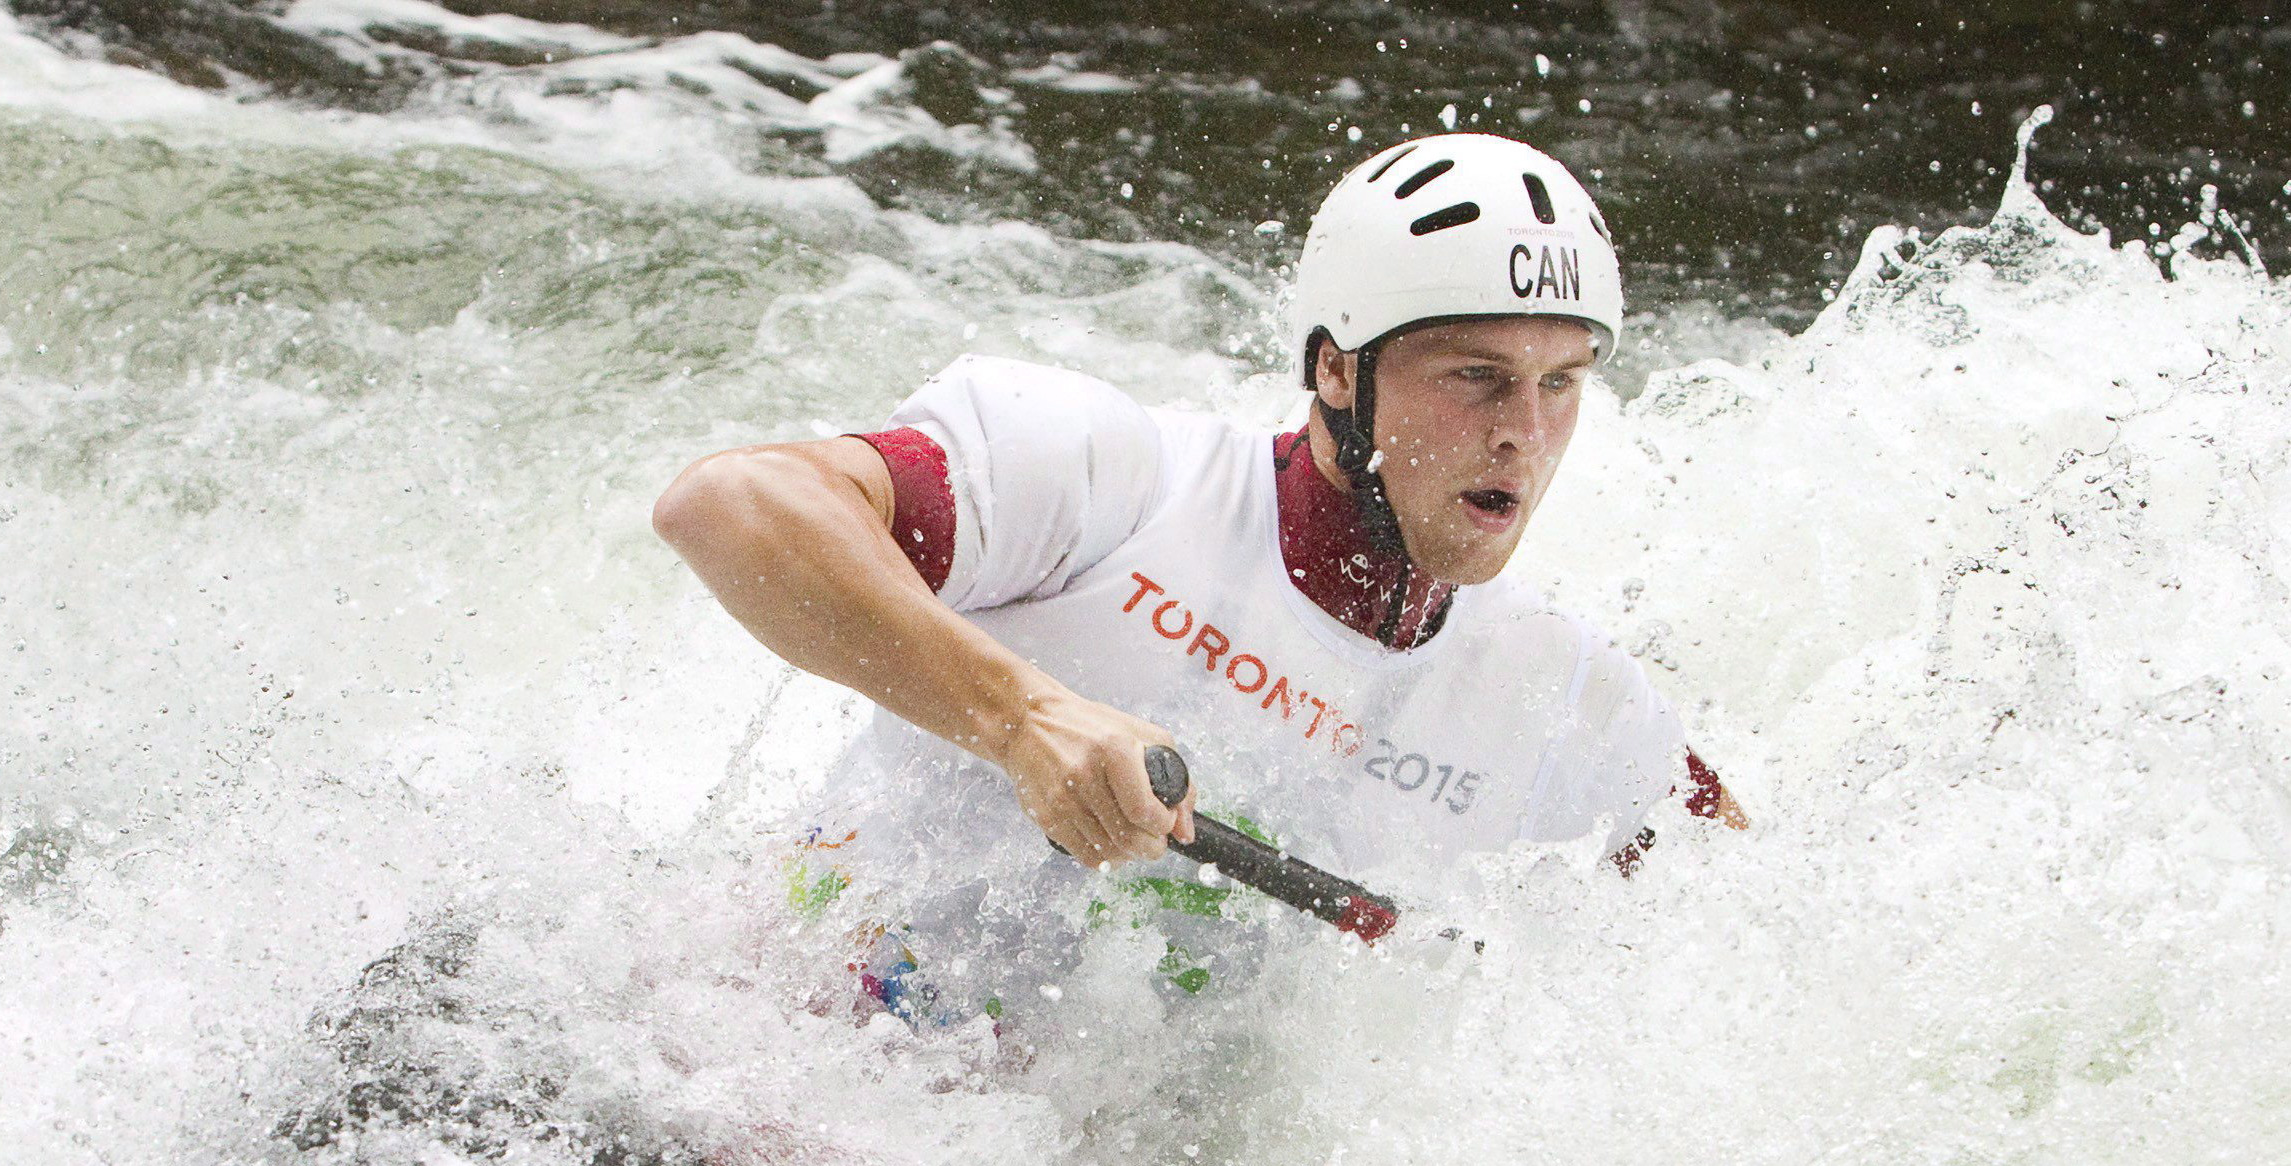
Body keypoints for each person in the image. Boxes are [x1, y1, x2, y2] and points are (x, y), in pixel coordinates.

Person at [654, 133, 1743, 1020]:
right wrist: (1022, 721)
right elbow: (727, 505)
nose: (1524, 434)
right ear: (1334, 366)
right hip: (760, 1052)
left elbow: (1766, 950)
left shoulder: (1565, 709)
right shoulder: (1110, 479)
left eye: (1562, 383)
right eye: (1477, 377)